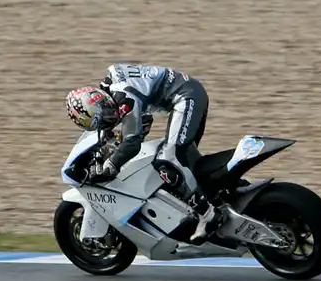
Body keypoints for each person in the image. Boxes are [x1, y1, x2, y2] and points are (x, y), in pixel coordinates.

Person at [65, 63, 223, 243]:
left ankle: (208, 214)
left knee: (168, 162)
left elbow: (132, 142)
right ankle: (222, 194)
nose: (109, 118)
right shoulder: (109, 90)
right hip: (188, 92)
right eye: (101, 121)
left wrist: (111, 165)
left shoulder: (123, 95)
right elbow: (142, 122)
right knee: (187, 160)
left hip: (186, 96)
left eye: (107, 114)